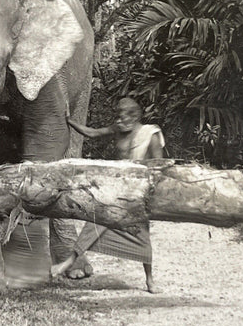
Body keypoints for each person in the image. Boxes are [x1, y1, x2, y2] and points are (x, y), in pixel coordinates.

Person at [51, 97, 164, 293]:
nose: (119, 121)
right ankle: (66, 263)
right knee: (95, 221)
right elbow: (92, 133)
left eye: (123, 116)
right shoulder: (118, 129)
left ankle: (150, 280)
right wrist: (69, 121)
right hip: (116, 188)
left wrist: (149, 191)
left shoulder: (150, 135)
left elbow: (159, 167)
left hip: (138, 192)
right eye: (117, 116)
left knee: (142, 236)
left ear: (135, 116)